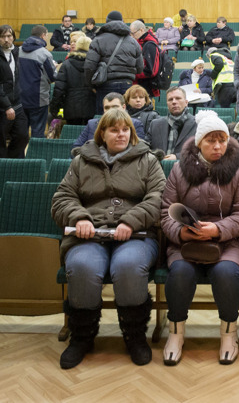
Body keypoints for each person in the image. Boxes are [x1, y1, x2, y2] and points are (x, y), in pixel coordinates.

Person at [51, 108, 166, 369]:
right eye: (114, 129)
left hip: (136, 234)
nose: (121, 134)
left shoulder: (148, 160)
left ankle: (135, 336)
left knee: (127, 267)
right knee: (82, 267)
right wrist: (79, 217)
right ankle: (82, 337)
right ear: (101, 133)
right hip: (89, 235)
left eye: (125, 129)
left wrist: (131, 219)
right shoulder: (81, 161)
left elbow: (160, 198)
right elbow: (61, 199)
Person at [161, 110, 239, 366]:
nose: (217, 146)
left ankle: (229, 335)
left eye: (222, 140)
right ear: (199, 142)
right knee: (180, 272)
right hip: (186, 243)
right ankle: (176, 334)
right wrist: (181, 232)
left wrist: (217, 230)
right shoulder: (179, 170)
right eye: (211, 141)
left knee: (226, 273)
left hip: (228, 241)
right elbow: (165, 213)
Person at [84, 10, 143, 114]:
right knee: (126, 119)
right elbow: (140, 68)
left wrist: (91, 85)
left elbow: (89, 66)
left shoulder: (98, 40)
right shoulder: (133, 42)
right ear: (122, 21)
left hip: (105, 84)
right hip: (127, 85)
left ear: (107, 22)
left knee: (104, 121)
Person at [72, 92, 145, 151]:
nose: (110, 110)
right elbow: (77, 148)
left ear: (123, 107)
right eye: (107, 108)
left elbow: (138, 148)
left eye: (114, 107)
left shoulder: (135, 124)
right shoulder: (92, 124)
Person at [18, 25, 56, 137]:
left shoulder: (18, 50)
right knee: (38, 133)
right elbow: (52, 77)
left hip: (20, 98)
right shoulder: (44, 54)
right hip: (38, 99)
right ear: (43, 35)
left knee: (21, 134)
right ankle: (36, 155)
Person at [50, 36, 95, 126]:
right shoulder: (94, 64)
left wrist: (55, 109)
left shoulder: (66, 64)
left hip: (71, 108)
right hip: (91, 107)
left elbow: (59, 89)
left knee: (72, 136)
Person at [0, 25, 29, 158]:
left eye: (9, 36)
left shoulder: (15, 52)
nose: (6, 39)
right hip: (3, 106)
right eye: (3, 36)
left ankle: (11, 163)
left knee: (22, 135)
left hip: (16, 104)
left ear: (13, 38)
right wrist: (6, 106)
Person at [146, 87, 197, 160]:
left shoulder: (197, 124)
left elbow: (201, 151)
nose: (174, 102)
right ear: (167, 103)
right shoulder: (155, 124)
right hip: (158, 169)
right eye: (170, 99)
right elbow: (146, 149)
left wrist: (178, 157)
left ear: (186, 102)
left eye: (178, 98)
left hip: (186, 169)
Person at [130, 20, 161, 98]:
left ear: (141, 30)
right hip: (139, 86)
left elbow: (152, 71)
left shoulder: (149, 45)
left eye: (133, 33)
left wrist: (132, 74)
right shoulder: (140, 43)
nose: (132, 36)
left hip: (147, 89)